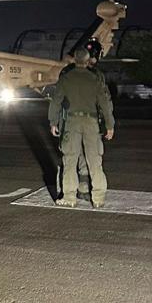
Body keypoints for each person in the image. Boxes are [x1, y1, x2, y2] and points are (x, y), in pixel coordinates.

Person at [48, 47, 115, 208]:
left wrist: (53, 122)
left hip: (72, 122)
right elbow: (105, 104)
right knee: (95, 160)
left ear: (74, 60)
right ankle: (98, 198)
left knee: (70, 160)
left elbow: (56, 101)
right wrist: (110, 125)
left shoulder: (66, 78)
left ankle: (69, 197)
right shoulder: (95, 79)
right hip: (91, 122)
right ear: (87, 60)